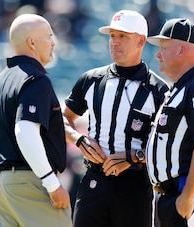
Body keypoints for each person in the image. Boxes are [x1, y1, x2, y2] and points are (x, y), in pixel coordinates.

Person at [62, 9, 169, 227]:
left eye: (122, 36)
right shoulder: (91, 80)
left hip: (134, 184)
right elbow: (62, 118)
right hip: (94, 179)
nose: (114, 42)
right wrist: (78, 139)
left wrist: (135, 156)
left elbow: (167, 144)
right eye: (112, 36)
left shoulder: (158, 90)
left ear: (141, 41)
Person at [0, 14, 72, 227]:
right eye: (49, 36)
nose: (53, 42)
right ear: (32, 42)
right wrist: (52, 184)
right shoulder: (35, 79)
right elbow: (24, 131)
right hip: (29, 183)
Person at [146, 18, 194, 227]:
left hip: (191, 192)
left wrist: (188, 196)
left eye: (163, 47)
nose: (157, 54)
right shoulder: (179, 88)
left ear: (181, 50)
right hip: (172, 194)